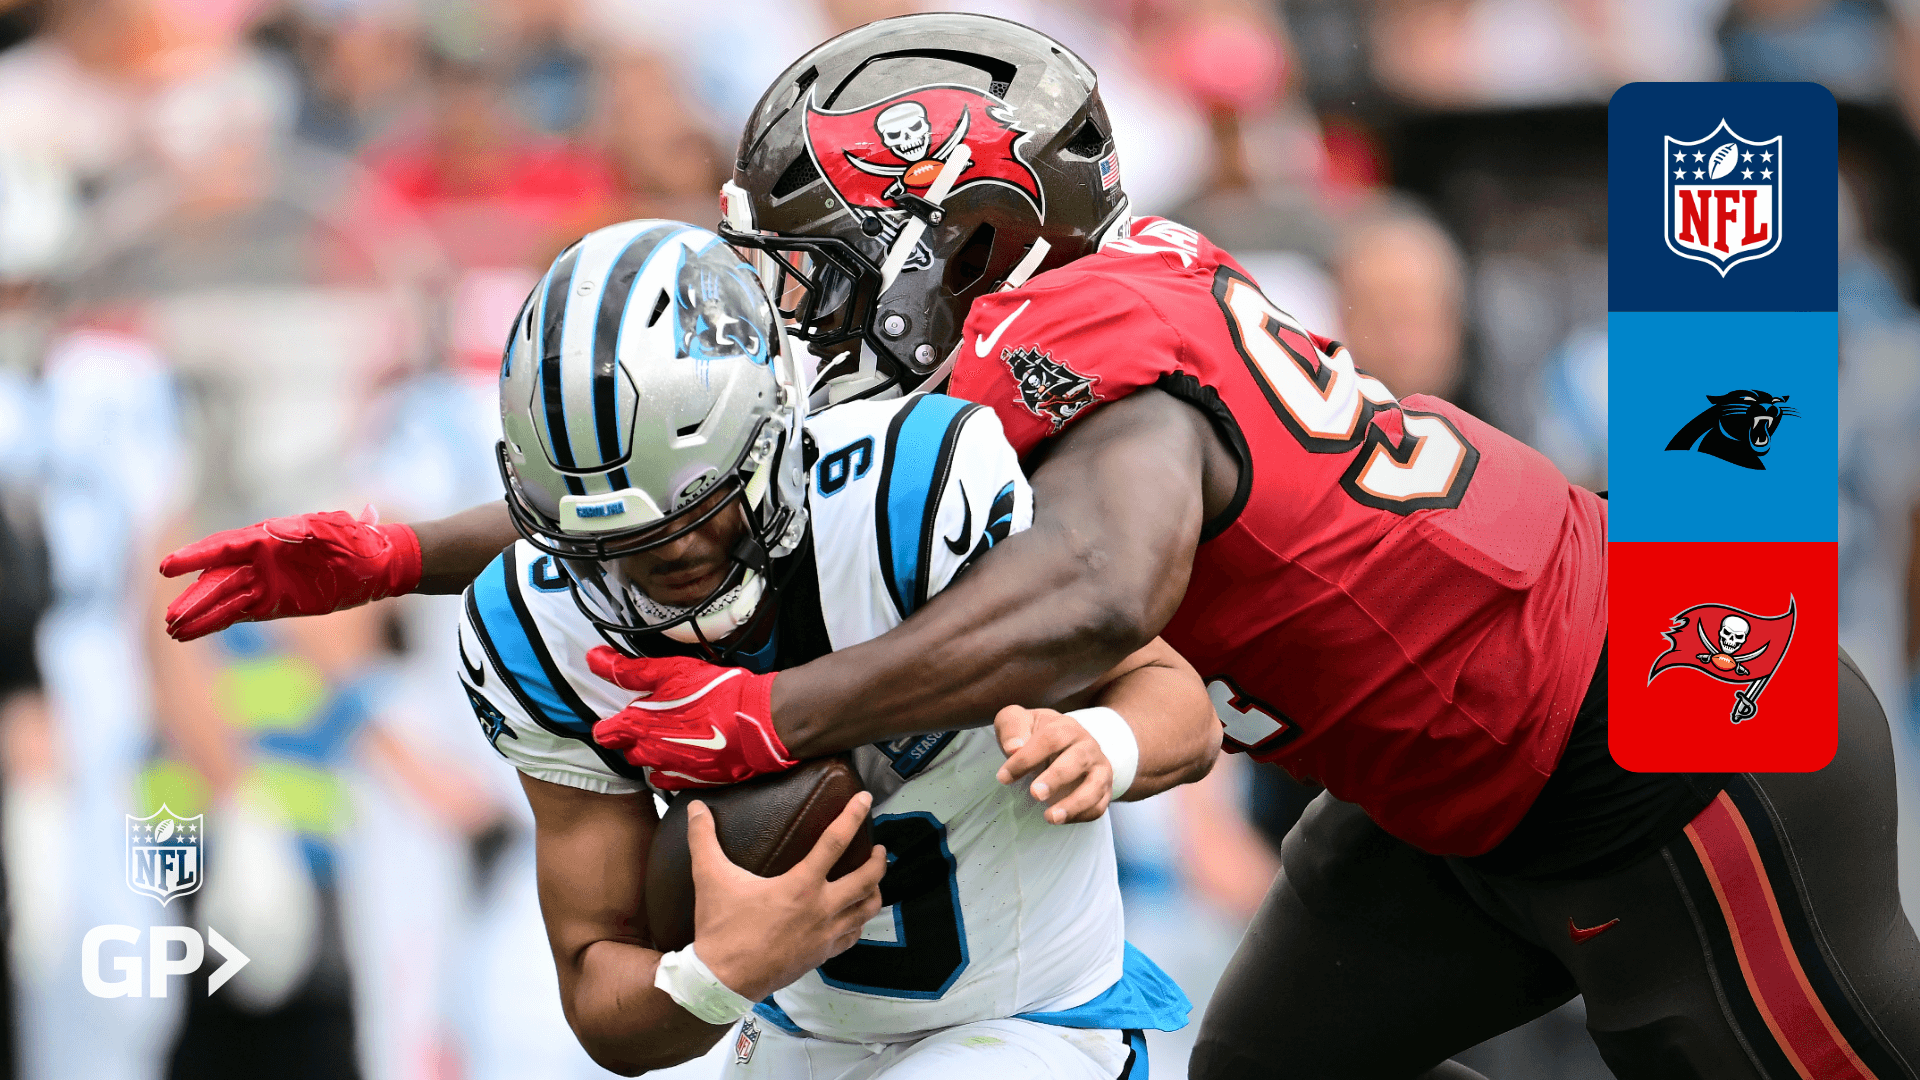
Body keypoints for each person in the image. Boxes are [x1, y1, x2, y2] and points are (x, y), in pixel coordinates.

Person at [158, 14, 1920, 1079]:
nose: (798, 295)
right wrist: (404, 552)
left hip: (1665, 737)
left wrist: (776, 715)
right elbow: (712, 470)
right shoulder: (1020, 339)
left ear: (965, 232)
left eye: (822, 254)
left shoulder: (1093, 365)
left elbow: (1097, 590)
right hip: (1442, 787)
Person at [330, 217, 1215, 1076]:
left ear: (772, 436)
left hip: (1031, 1024)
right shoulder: (539, 623)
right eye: (618, 538)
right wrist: (720, 973)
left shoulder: (904, 495)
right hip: (799, 1041)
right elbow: (598, 991)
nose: (669, 556)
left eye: (696, 506)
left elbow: (1177, 703)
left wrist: (1105, 744)